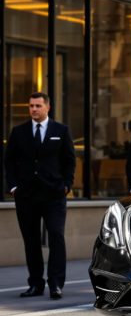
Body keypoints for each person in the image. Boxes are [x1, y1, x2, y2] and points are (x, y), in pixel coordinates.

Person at [4, 92, 75, 299]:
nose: (33, 109)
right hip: (26, 196)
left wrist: (66, 185)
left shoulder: (61, 130)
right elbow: (9, 161)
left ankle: (56, 284)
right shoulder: (19, 132)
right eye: (31, 106)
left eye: (37, 106)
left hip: (54, 194)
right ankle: (36, 283)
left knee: (56, 236)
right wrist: (14, 186)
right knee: (31, 241)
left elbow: (70, 160)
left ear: (47, 108)